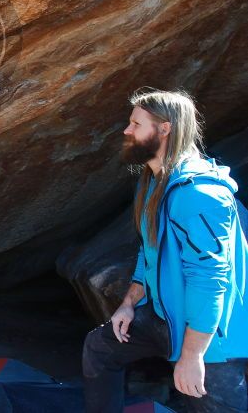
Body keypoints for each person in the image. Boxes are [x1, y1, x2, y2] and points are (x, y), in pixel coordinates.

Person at [83, 88, 248, 412]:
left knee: (211, 401)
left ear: (165, 129)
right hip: (165, 316)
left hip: (212, 337)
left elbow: (210, 280)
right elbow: (149, 248)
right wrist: (129, 304)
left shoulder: (198, 193)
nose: (127, 131)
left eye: (135, 124)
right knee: (100, 348)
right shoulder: (153, 181)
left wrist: (192, 356)